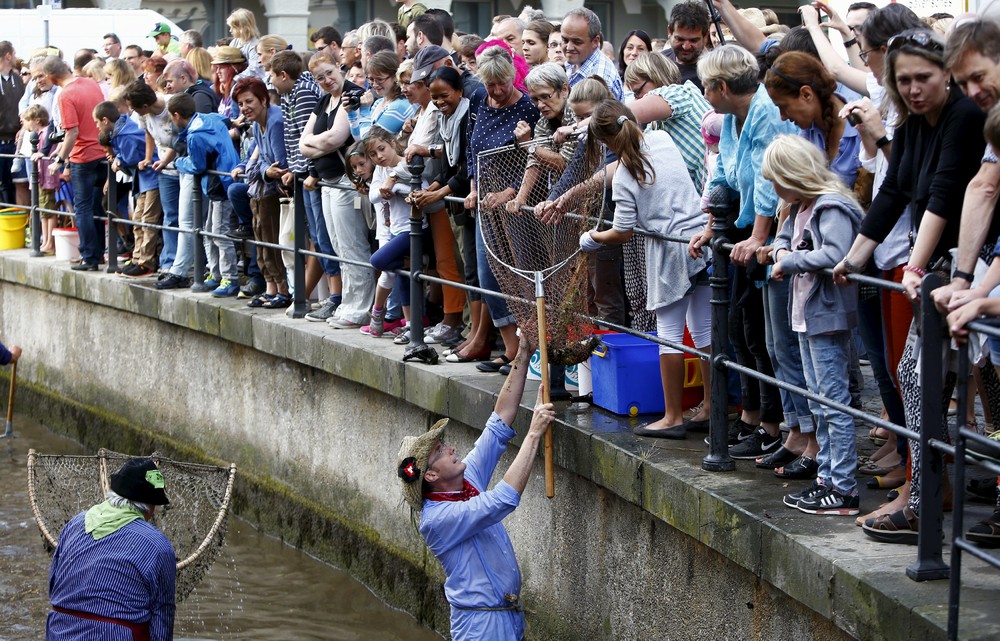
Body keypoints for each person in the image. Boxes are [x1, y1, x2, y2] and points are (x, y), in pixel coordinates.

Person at [833, 29, 990, 544]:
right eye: (905, 81)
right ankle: (926, 491)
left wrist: (916, 269)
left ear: (947, 73)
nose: (915, 88)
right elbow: (896, 189)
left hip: (963, 265)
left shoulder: (965, 117)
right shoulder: (914, 121)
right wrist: (852, 257)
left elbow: (947, 194)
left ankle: (925, 499)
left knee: (926, 377)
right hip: (952, 268)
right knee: (916, 376)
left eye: (924, 77)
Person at [395, 337, 554, 641]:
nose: (452, 449)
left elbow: (499, 421)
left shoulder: (466, 480)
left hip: (506, 617)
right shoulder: (436, 519)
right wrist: (534, 434)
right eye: (441, 451)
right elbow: (503, 500)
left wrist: (522, 353)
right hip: (480, 628)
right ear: (430, 475)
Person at [688, 45, 798, 458]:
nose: (703, 91)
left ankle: (772, 423)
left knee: (759, 332)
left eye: (705, 85)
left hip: (766, 231)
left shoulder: (765, 112)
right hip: (740, 224)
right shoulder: (733, 119)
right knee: (739, 328)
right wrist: (711, 226)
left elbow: (770, 177)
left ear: (720, 86)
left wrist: (760, 236)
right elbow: (727, 175)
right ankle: (753, 415)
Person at [580, 100, 712, 439]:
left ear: (607, 143)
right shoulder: (663, 141)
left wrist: (593, 237)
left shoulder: (625, 174)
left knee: (668, 334)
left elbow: (622, 231)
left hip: (669, 250)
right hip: (700, 240)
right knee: (705, 333)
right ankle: (711, 406)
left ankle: (672, 416)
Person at [760, 135, 863, 515]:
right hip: (805, 314)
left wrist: (788, 261)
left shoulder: (830, 206)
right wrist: (784, 251)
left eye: (776, 180)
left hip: (826, 316)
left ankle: (844, 487)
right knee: (818, 402)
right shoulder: (801, 206)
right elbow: (785, 240)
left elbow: (836, 253)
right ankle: (827, 478)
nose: (774, 188)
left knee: (832, 403)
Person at [455, 45, 540, 371]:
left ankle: (529, 349)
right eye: (491, 85)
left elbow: (533, 159)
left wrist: (509, 192)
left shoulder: (528, 107)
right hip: (486, 205)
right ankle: (510, 347)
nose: (497, 91)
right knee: (487, 275)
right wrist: (475, 187)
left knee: (517, 273)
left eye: (502, 83)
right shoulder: (479, 100)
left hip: (518, 206)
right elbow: (472, 148)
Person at [47, 458, 175, 641]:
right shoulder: (158, 545)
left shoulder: (74, 524)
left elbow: (53, 587)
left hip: (59, 632)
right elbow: (163, 615)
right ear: (150, 508)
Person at [168, 92, 241, 297]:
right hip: (225, 181)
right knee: (209, 230)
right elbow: (225, 119)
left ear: (176, 115)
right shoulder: (207, 118)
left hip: (219, 185)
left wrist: (177, 162)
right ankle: (215, 273)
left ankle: (230, 278)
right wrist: (235, 121)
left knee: (219, 232)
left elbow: (197, 165)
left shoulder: (195, 135)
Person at [232, 76, 290, 308]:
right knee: (261, 239)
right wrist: (264, 170)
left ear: (263, 100)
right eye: (240, 104)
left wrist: (263, 170)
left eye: (248, 102)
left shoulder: (275, 121)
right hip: (263, 188)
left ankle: (283, 290)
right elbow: (260, 165)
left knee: (273, 239)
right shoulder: (257, 123)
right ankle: (271, 288)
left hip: (277, 192)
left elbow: (280, 163)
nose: (244, 108)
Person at [44, 55, 106, 271]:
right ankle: (99, 254)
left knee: (83, 208)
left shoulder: (65, 95)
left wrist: (60, 159)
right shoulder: (90, 83)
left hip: (83, 157)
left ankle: (89, 257)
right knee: (96, 206)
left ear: (51, 78)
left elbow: (72, 132)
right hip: (102, 152)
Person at [93, 100, 162, 280]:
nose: (97, 126)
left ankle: (146, 262)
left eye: (97, 122)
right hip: (144, 181)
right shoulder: (123, 129)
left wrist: (119, 161)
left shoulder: (125, 135)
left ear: (106, 120)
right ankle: (137, 257)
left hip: (153, 179)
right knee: (138, 219)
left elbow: (131, 158)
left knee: (147, 220)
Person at [560, 8, 623, 100]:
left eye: (577, 42)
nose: (569, 47)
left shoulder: (600, 77)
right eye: (565, 40)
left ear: (595, 41)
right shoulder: (575, 62)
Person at [663, 1, 711, 92]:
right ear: (669, 32)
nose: (686, 47)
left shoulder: (714, 72)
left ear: (706, 36)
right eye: (680, 39)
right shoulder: (658, 63)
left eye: (694, 40)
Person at [0, 41, 25, 206]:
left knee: (20, 183)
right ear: (8, 56)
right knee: (3, 185)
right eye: (14, 54)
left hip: (17, 141)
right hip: (1, 140)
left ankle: (20, 223)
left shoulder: (17, 78)